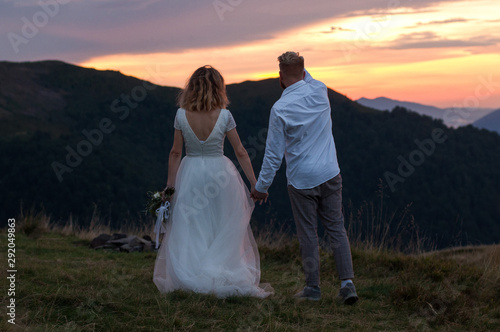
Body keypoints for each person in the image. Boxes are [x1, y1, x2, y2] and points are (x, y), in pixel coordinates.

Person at [153, 65, 272, 298]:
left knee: (192, 223)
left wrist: (169, 186)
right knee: (220, 223)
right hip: (220, 174)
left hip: (191, 173)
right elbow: (240, 152)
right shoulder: (225, 115)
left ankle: (193, 271)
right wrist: (254, 183)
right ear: (218, 88)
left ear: (192, 87)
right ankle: (217, 269)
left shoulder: (180, 114)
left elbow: (175, 153)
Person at [251, 52, 358, 304]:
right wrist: (300, 73)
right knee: (336, 228)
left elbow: (273, 155)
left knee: (308, 233)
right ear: (304, 71)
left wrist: (261, 187)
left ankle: (313, 288)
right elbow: (307, 79)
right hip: (330, 172)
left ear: (280, 76)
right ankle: (347, 284)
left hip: (301, 180)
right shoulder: (320, 90)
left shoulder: (280, 108)